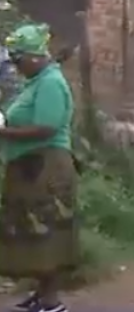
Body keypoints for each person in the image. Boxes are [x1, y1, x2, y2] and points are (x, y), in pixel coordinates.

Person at [0, 24, 78, 312]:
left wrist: (3, 133)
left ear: (34, 56)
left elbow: (46, 127)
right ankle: (42, 293)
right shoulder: (35, 82)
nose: (16, 66)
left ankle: (51, 301)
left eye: (18, 59)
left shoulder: (51, 83)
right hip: (31, 166)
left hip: (47, 167)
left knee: (48, 230)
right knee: (33, 231)